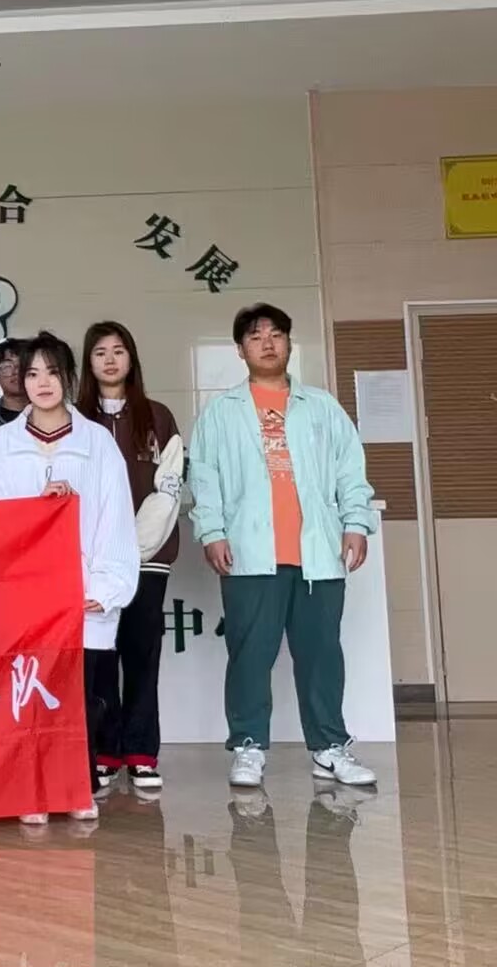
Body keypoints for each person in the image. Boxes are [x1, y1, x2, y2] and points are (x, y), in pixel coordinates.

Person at [189, 303, 377, 790]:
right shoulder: (221, 411)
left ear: (289, 343)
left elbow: (350, 470)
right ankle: (249, 746)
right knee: (250, 655)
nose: (267, 343)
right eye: (255, 336)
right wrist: (212, 531)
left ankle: (329, 747)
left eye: (276, 334)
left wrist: (356, 523)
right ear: (240, 350)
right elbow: (204, 477)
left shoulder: (322, 406)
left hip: (317, 553)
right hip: (251, 553)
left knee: (321, 655)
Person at [0, 331, 140, 826]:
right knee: (27, 694)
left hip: (80, 596)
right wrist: (35, 510)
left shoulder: (97, 442)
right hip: (25, 595)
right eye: (32, 373)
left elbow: (115, 518)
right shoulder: (1, 444)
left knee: (78, 699)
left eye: (53, 373)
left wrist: (105, 587)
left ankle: (75, 785)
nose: (42, 383)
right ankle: (30, 788)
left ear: (69, 378)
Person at [76, 321, 183, 792]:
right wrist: (102, 555)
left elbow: (169, 489)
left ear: (132, 359)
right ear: (88, 362)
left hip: (146, 559)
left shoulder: (158, 417)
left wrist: (130, 551)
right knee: (99, 656)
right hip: (91, 565)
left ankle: (140, 751)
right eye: (100, 352)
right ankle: (104, 751)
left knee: (142, 653)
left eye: (118, 350)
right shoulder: (76, 421)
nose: (110, 359)